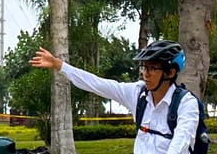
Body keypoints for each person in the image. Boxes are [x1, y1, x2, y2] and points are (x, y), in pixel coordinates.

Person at [29, 40, 199, 154]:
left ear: (170, 72)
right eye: (143, 67)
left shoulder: (186, 104)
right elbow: (97, 84)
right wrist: (59, 65)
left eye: (152, 68)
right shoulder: (138, 94)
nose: (145, 74)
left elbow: (180, 142)